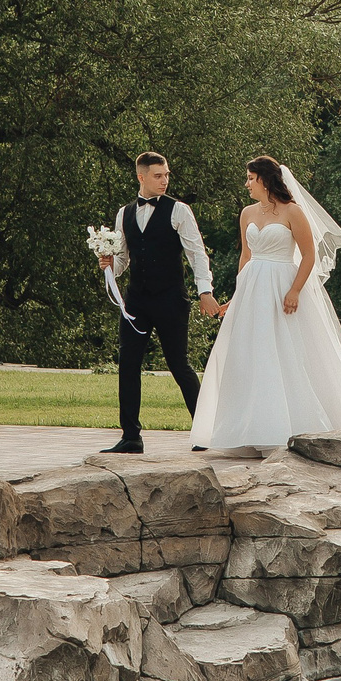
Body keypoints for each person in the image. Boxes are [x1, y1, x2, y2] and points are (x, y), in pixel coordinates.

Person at [188, 156, 341, 451]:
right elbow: (246, 256)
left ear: (265, 180)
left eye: (250, 178)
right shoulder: (246, 213)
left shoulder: (292, 212)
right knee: (250, 355)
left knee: (287, 351)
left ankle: (291, 424)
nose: (246, 184)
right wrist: (238, 293)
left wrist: (295, 290)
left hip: (283, 285)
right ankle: (248, 428)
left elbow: (308, 254)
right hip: (253, 287)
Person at [98, 151, 220, 456]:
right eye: (158, 176)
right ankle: (130, 437)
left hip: (170, 299)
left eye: (166, 175)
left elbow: (197, 254)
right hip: (136, 300)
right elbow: (124, 258)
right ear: (141, 177)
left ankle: (206, 431)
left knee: (179, 364)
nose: (164, 180)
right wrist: (110, 266)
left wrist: (205, 291)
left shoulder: (179, 211)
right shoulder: (124, 213)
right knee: (128, 365)